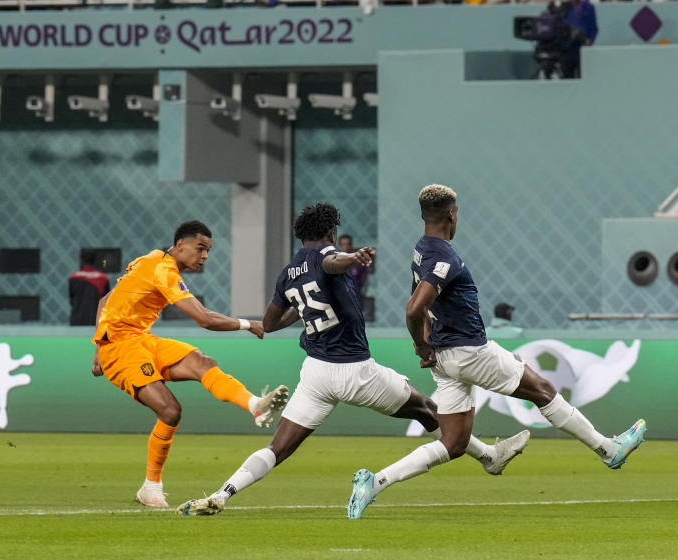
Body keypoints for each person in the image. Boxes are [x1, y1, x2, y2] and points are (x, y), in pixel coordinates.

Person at [175, 204, 528, 516]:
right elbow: (331, 262)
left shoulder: (289, 271)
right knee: (428, 410)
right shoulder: (327, 255)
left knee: (278, 448)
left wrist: (305, 310)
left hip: (315, 373)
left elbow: (269, 323)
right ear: (331, 232)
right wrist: (353, 257)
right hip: (355, 371)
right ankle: (488, 457)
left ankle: (222, 494)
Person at [346, 185, 646, 519]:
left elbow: (417, 300)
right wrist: (419, 342)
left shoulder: (421, 249)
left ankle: (376, 482)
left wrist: (429, 342)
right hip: (470, 351)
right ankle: (609, 450)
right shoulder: (445, 257)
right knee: (543, 390)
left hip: (445, 358)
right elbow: (415, 308)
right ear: (452, 214)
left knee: (454, 442)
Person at [91, 220, 290, 508]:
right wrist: (249, 324)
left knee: (200, 361)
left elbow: (105, 300)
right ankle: (151, 487)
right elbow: (205, 320)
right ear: (180, 245)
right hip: (121, 348)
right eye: (200, 248)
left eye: (208, 250)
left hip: (141, 340)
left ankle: (255, 406)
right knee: (170, 411)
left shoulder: (150, 260)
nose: (205, 256)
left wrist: (96, 343)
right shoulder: (163, 269)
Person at [69, 250, 111, 326]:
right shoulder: (103, 278)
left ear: (81, 260)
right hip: (97, 322)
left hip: (77, 321)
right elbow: (107, 302)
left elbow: (71, 300)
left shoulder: (73, 277)